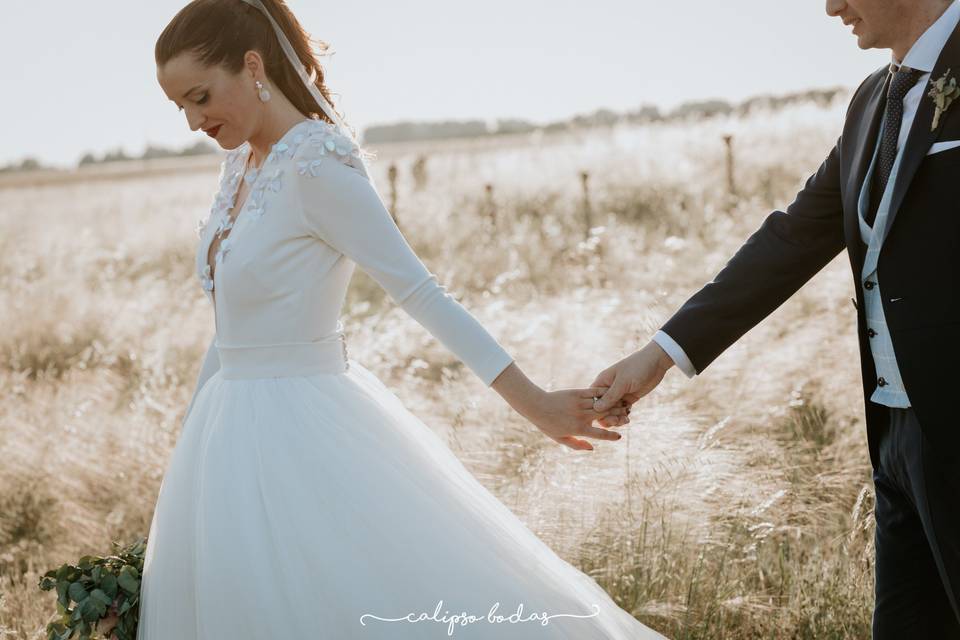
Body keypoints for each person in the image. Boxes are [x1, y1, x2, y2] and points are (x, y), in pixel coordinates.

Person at [143, 0, 665, 638]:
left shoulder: (317, 164)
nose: (195, 120)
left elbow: (421, 293)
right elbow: (233, 331)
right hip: (223, 435)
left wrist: (535, 404)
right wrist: (194, 442)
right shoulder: (238, 167)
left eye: (201, 96)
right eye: (182, 108)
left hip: (306, 431)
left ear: (253, 65)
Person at [590, 1, 960, 637]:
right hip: (895, 433)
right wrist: (657, 355)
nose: (831, 7)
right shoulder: (873, 99)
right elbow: (792, 239)